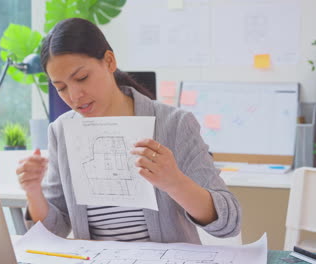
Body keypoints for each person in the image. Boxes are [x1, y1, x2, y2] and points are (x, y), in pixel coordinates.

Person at [16, 17, 241, 243]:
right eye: (61, 88)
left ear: (109, 61)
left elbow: (229, 225)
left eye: (82, 78)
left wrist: (174, 182)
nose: (74, 97)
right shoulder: (61, 131)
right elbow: (54, 232)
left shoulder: (175, 124)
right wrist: (34, 192)